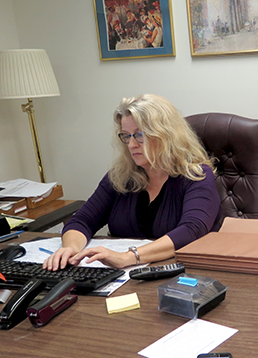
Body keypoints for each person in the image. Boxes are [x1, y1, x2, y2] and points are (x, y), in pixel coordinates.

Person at [43, 94, 221, 271]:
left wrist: (129, 257)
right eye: (126, 136)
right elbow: (82, 221)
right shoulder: (121, 176)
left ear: (165, 135)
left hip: (177, 276)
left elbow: (192, 230)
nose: (131, 144)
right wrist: (71, 249)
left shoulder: (196, 176)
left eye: (139, 135)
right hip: (121, 279)